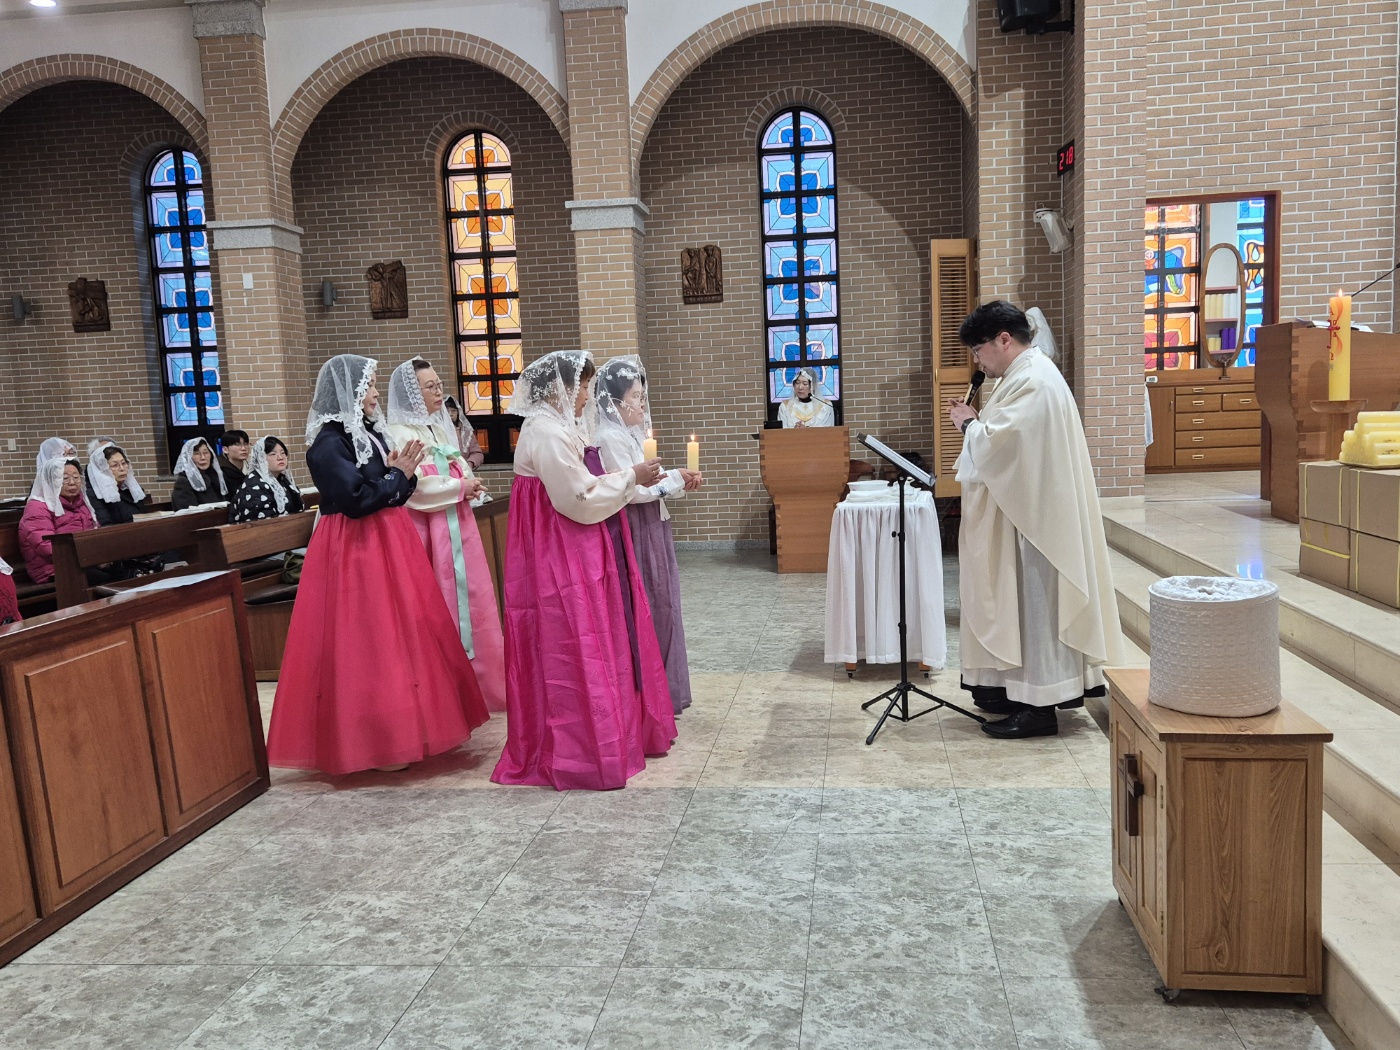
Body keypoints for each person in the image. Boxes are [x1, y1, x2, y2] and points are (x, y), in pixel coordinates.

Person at [266, 354, 490, 775]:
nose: (374, 394)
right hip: (355, 547)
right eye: (367, 387)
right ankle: (375, 738)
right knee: (369, 639)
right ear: (348, 393)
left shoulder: (366, 432)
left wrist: (400, 476)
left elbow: (392, 490)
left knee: (405, 633)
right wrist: (397, 476)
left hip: (388, 537)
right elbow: (355, 501)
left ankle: (408, 727)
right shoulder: (327, 444)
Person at [491, 350, 676, 791]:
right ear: (560, 388)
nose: (586, 397)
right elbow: (578, 497)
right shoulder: (545, 432)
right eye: (584, 387)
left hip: (572, 540)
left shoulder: (561, 426)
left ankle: (607, 738)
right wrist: (630, 477)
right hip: (559, 546)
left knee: (592, 634)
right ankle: (578, 751)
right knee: (572, 638)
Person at [947, 300, 1125, 739]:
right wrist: (978, 425)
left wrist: (969, 425)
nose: (977, 361)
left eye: (978, 350)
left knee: (1037, 610)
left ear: (1004, 339)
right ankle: (1014, 692)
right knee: (1025, 609)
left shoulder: (1035, 379)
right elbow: (1008, 442)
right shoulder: (1024, 375)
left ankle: (1039, 707)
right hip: (1026, 513)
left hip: (1037, 525)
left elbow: (1005, 446)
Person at [386, 359, 507, 711]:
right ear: (412, 392)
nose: (439, 392)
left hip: (458, 524)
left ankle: (483, 686)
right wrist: (458, 487)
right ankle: (448, 696)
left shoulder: (439, 429)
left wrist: (470, 483)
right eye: (430, 387)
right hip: (427, 530)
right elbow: (413, 487)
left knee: (475, 599)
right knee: (439, 605)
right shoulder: (398, 433)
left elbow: (458, 466)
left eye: (439, 384)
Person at [589, 356, 702, 715]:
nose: (642, 404)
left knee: (665, 603)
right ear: (615, 401)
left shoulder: (632, 433)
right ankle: (650, 695)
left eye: (642, 396)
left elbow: (655, 481)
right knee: (649, 605)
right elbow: (633, 490)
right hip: (634, 526)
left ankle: (668, 691)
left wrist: (680, 478)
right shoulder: (608, 437)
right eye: (635, 397)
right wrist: (674, 479)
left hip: (653, 523)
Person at [19, 458, 99, 584]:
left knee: (121, 568)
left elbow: (96, 531)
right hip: (53, 569)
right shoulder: (37, 507)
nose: (72, 482)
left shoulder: (81, 502)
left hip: (82, 562)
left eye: (76, 477)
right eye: (64, 478)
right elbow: (46, 546)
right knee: (104, 578)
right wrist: (90, 558)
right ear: (51, 481)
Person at [230, 436, 305, 523]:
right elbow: (260, 522)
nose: (280, 457)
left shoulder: (282, 480)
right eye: (273, 454)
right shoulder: (253, 484)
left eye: (283, 453)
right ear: (261, 458)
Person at [86, 440, 148, 526]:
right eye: (115, 465)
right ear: (102, 470)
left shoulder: (130, 489)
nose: (122, 468)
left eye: (123, 463)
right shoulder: (95, 494)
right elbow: (106, 525)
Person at [170, 437, 229, 510]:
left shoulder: (216, 476)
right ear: (188, 458)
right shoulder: (183, 482)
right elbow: (187, 512)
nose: (203, 457)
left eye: (206, 453)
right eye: (196, 454)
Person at [444, 396, 486, 470]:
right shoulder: (437, 431)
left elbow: (477, 453)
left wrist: (470, 463)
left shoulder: (466, 432)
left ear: (458, 412)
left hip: (464, 471)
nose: (450, 414)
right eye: (447, 411)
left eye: (453, 411)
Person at [217, 430, 252, 496]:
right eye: (237, 444)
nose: (243, 448)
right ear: (225, 449)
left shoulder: (251, 469)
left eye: (245, 444)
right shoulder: (219, 471)